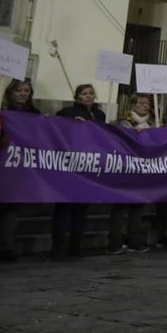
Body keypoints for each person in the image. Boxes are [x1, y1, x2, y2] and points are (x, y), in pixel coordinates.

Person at [51, 84, 106, 258]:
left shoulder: (99, 115)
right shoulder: (67, 112)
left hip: (88, 165)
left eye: (91, 93)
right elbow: (56, 130)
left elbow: (102, 135)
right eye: (84, 94)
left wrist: (90, 125)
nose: (88, 96)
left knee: (81, 210)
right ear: (77, 97)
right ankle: (58, 247)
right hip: (68, 165)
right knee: (63, 209)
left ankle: (75, 246)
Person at [0, 79, 39, 262]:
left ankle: (7, 248)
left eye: (26, 91)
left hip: (18, 168)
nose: (23, 94)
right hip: (0, 165)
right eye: (19, 90)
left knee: (10, 209)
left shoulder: (35, 115)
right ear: (10, 93)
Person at [109, 94, 153, 255]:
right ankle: (115, 242)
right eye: (141, 103)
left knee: (137, 209)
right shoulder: (123, 122)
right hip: (125, 169)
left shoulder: (153, 124)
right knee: (120, 208)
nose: (145, 106)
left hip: (142, 171)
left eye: (147, 103)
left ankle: (134, 242)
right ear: (133, 105)